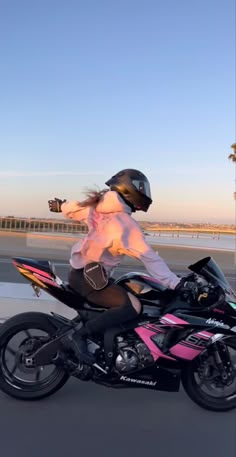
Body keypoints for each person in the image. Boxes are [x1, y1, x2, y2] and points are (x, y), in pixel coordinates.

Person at [48, 169, 189, 365]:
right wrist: (176, 283)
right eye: (141, 187)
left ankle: (101, 339)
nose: (144, 192)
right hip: (90, 279)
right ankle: (79, 335)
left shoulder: (98, 207)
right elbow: (150, 259)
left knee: (128, 289)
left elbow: (75, 208)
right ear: (128, 188)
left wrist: (61, 206)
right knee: (131, 307)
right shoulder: (125, 224)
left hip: (81, 274)